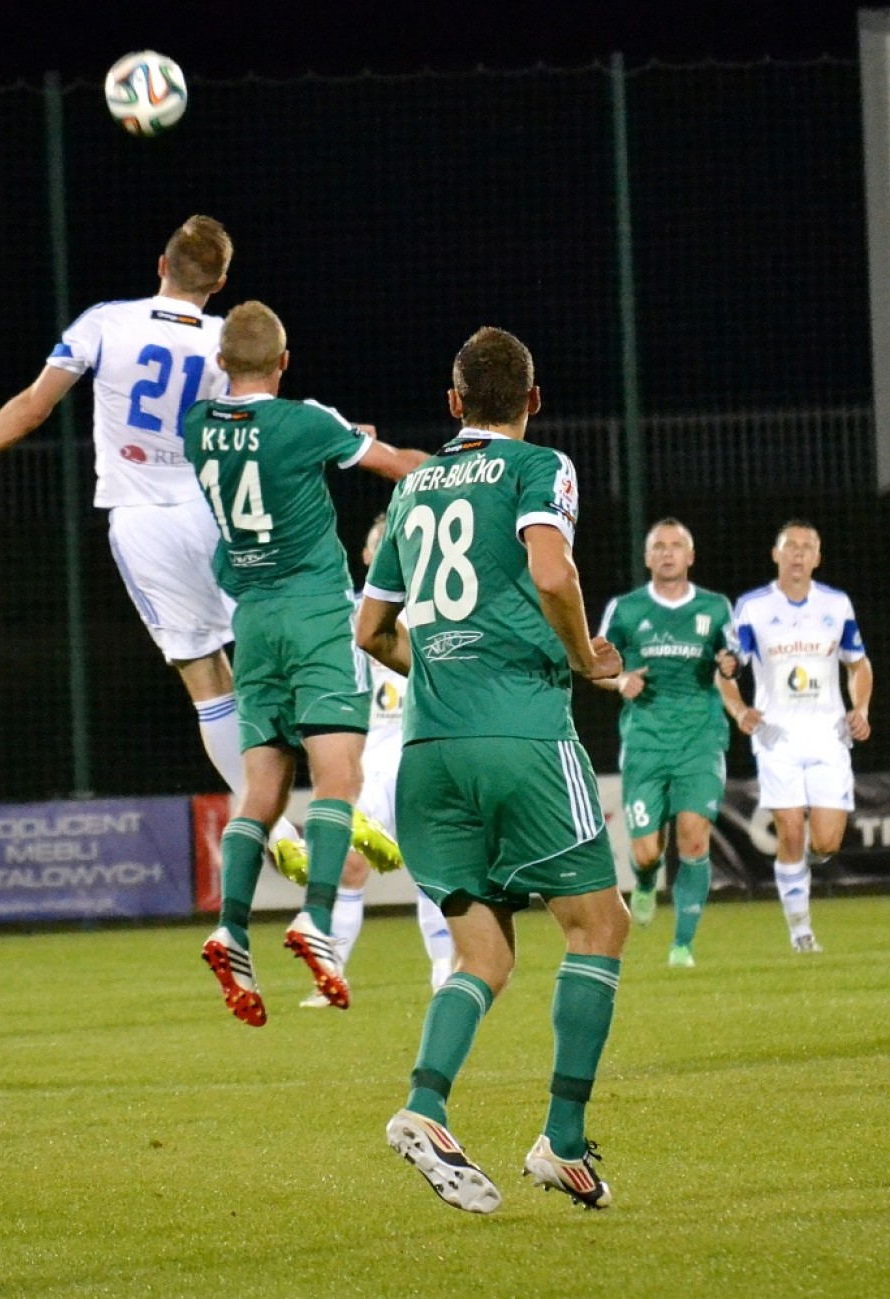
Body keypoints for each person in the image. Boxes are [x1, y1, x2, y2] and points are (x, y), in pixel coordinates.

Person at [0, 216, 303, 864]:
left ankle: (277, 827)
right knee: (274, 652)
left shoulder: (106, 323)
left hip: (143, 524)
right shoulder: (224, 339)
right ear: (219, 283)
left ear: (162, 264)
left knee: (207, 678)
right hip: (217, 512)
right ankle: (339, 790)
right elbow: (258, 421)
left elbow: (34, 406)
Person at [357, 326, 629, 1216]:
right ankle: (562, 1139)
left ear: (454, 402)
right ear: (533, 400)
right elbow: (551, 571)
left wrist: (445, 670)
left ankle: (425, 1104)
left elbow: (371, 632)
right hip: (521, 737)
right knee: (600, 925)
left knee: (482, 953)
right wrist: (583, 655)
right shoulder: (538, 466)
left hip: (428, 753)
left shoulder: (411, 489)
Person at [183, 300, 427, 1026]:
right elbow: (396, 466)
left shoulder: (197, 428)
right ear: (284, 363)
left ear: (221, 363)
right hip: (318, 614)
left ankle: (231, 926)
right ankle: (316, 917)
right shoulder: (306, 422)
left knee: (260, 787)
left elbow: (248, 456)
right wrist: (454, 472)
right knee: (337, 778)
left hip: (251, 620)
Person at [288, 513, 454, 1007]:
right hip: (370, 761)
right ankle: (331, 973)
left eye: (396, 544)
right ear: (365, 556)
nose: (387, 552)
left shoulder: (439, 609)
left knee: (434, 867)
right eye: (379, 544)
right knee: (350, 866)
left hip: (424, 751)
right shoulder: (348, 617)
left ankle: (446, 971)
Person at [719, 520, 872, 953]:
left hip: (829, 735)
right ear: (776, 554)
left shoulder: (836, 605)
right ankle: (801, 931)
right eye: (791, 546)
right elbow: (729, 667)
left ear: (817, 557)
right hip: (777, 737)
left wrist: (860, 708)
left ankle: (798, 868)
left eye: (807, 547)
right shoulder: (753, 607)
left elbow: (858, 664)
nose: (799, 553)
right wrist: (739, 709)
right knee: (789, 832)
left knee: (825, 842)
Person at [595, 519, 739, 968]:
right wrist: (621, 680)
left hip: (700, 740)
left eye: (677, 545)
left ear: (690, 556)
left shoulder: (715, 608)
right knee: (646, 852)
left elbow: (734, 657)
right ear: (647, 557)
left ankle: (682, 945)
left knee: (694, 840)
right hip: (645, 744)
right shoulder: (625, 609)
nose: (668, 552)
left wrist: (731, 665)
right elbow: (595, 665)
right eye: (659, 546)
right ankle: (644, 880)